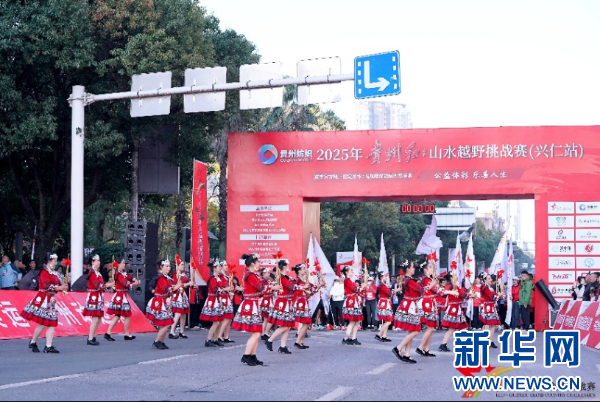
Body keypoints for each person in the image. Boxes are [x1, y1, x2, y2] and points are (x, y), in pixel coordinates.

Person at [20, 254, 68, 353]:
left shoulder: (54, 273)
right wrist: (59, 288)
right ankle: (38, 343)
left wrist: (63, 287)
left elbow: (57, 285)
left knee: (50, 323)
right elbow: (46, 286)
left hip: (51, 300)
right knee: (44, 323)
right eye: (55, 261)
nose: (56, 263)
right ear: (49, 261)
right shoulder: (44, 272)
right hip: (44, 299)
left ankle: (44, 344)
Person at [233, 253, 273, 366]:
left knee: (257, 332)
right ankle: (246, 355)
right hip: (250, 305)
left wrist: (269, 287)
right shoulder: (250, 275)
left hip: (254, 304)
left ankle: (252, 355)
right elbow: (260, 287)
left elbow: (260, 291)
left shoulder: (254, 275)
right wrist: (271, 287)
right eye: (258, 261)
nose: (259, 263)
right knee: (255, 333)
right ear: (252, 263)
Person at [147, 259, 181, 350]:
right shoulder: (160, 278)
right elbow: (165, 289)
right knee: (166, 323)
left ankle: (161, 341)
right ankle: (157, 341)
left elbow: (169, 291)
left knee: (167, 322)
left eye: (169, 266)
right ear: (161, 267)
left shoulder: (167, 278)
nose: (168, 268)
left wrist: (176, 288)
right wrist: (175, 287)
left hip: (165, 302)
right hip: (159, 302)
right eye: (166, 266)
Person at [392, 261, 422, 364]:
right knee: (416, 330)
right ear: (408, 269)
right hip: (410, 306)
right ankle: (398, 347)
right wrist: (430, 285)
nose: (414, 269)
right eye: (413, 267)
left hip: (410, 305)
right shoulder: (409, 280)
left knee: (411, 330)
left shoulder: (408, 279)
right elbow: (419, 289)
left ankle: (407, 354)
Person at [105, 257, 141, 341]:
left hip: (121, 296)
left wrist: (135, 280)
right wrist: (134, 283)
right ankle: (126, 334)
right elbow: (125, 283)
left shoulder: (122, 274)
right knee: (126, 315)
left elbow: (129, 277)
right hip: (120, 297)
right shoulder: (118, 274)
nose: (124, 265)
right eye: (123, 263)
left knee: (118, 315)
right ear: (118, 264)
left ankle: (109, 333)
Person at [83, 255, 115, 346]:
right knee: (95, 317)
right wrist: (109, 285)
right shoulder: (92, 273)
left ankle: (92, 335)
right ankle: (90, 338)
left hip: (99, 296)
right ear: (93, 262)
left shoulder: (98, 273)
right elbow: (97, 286)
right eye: (97, 261)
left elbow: (102, 284)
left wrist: (109, 285)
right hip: (94, 296)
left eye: (99, 261)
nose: (99, 262)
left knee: (99, 318)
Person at [266, 260, 295, 355]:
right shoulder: (282, 277)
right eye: (287, 265)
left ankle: (283, 346)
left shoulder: (285, 277)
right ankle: (270, 340)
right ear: (285, 267)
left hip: (287, 302)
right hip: (283, 303)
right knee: (285, 325)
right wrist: (302, 287)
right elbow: (291, 287)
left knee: (287, 326)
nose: (289, 267)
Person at [293, 264, 321, 349]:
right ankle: (298, 341)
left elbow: (312, 290)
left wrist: (320, 284)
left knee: (306, 322)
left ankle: (300, 341)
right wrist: (303, 287)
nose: (305, 270)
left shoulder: (305, 281)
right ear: (299, 271)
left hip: (305, 303)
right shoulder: (298, 281)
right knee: (305, 322)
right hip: (300, 303)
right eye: (303, 269)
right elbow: (294, 288)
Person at [200, 262, 226, 347]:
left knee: (220, 321)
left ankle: (215, 339)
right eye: (219, 266)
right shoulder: (212, 279)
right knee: (216, 321)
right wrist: (224, 290)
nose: (220, 268)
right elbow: (215, 290)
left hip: (217, 301)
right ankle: (208, 339)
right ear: (214, 268)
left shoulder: (218, 278)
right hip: (213, 300)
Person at [438, 278, 466, 352]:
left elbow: (462, 295)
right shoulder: (450, 286)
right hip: (453, 309)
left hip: (458, 308)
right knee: (452, 328)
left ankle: (445, 344)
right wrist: (451, 292)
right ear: (451, 278)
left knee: (463, 327)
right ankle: (444, 344)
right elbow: (441, 291)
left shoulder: (459, 286)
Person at [341, 266, 367, 345]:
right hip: (351, 301)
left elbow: (357, 290)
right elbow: (355, 289)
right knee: (352, 321)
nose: (352, 272)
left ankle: (354, 337)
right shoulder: (347, 280)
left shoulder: (350, 280)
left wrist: (362, 288)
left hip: (354, 301)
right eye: (351, 271)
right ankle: (346, 338)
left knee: (357, 320)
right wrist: (362, 287)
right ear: (346, 272)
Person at [169, 259, 193, 340]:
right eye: (181, 264)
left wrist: (191, 284)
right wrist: (187, 284)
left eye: (183, 264)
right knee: (178, 313)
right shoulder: (175, 275)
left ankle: (181, 331)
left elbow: (186, 284)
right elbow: (176, 285)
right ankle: (172, 331)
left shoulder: (184, 274)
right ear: (177, 266)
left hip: (183, 295)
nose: (183, 266)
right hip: (177, 295)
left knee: (184, 313)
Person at [217, 261, 239, 344]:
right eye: (225, 265)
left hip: (228, 297)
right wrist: (225, 289)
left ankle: (226, 336)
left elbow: (233, 286)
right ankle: (219, 335)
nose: (226, 266)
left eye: (226, 265)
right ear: (221, 267)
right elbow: (218, 287)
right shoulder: (220, 277)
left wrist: (240, 288)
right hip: (223, 297)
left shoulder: (227, 276)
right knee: (226, 317)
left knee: (229, 317)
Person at [479, 273, 504, 348]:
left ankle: (491, 341)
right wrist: (499, 295)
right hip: (486, 308)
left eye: (490, 278)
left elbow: (495, 297)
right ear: (485, 280)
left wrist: (500, 295)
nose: (490, 280)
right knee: (486, 324)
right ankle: (484, 340)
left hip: (492, 307)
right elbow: (491, 296)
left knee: (493, 325)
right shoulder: (484, 287)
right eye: (488, 278)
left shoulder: (491, 288)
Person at [375, 271, 395, 342]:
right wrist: (395, 291)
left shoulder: (383, 284)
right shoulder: (382, 285)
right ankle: (379, 334)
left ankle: (384, 335)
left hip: (385, 302)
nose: (386, 277)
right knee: (389, 320)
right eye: (385, 276)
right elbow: (388, 293)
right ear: (381, 277)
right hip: (384, 303)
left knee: (387, 319)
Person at [260, 268, 276, 340]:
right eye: (267, 273)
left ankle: (264, 333)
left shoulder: (268, 281)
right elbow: (264, 290)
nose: (269, 274)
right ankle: (265, 333)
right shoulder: (262, 281)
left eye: (269, 273)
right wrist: (272, 288)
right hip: (266, 300)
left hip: (269, 300)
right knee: (269, 317)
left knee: (266, 318)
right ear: (263, 274)